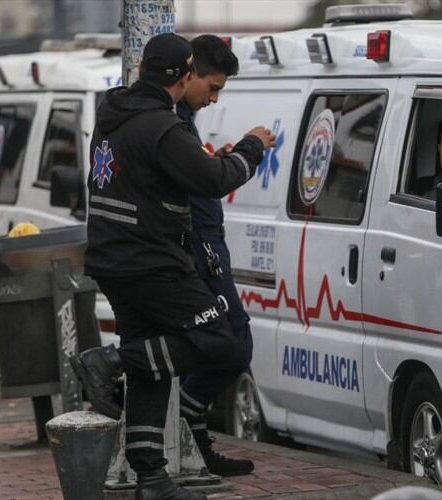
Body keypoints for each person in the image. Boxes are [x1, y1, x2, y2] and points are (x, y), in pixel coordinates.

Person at [69, 33, 275, 500]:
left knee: (154, 369)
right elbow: (214, 181)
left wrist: (201, 164)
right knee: (219, 342)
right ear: (184, 76)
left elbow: (156, 175)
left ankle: (152, 478)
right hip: (152, 260)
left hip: (114, 257)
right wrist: (251, 147)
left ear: (143, 70)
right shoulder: (160, 126)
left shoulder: (114, 113)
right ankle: (109, 361)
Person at [175, 34, 255, 478]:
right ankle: (187, 421)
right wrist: (249, 149)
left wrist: (214, 161)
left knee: (222, 343)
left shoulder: (183, 119)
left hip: (208, 241)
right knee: (231, 342)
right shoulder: (170, 120)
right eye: (213, 87)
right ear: (190, 75)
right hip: (199, 246)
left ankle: (191, 430)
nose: (214, 98)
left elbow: (195, 175)